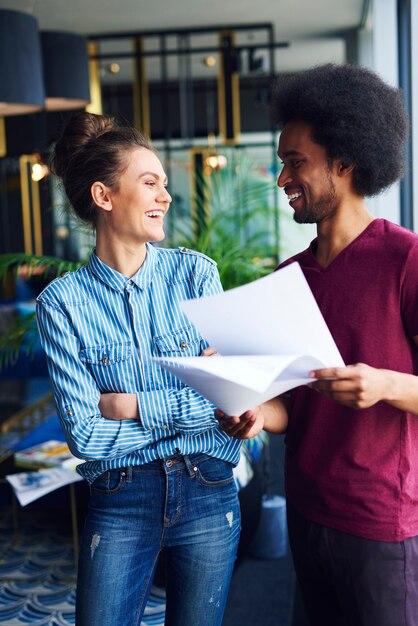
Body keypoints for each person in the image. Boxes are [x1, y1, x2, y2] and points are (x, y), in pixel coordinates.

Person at [218, 63, 418, 626]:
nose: (281, 179)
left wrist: (384, 385)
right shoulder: (289, 275)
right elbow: (291, 403)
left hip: (379, 523)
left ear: (345, 163)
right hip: (309, 514)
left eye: (293, 162)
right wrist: (256, 412)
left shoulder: (405, 260)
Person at [36, 111, 242, 626]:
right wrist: (192, 402)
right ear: (104, 197)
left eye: (164, 185)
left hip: (208, 489)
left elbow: (231, 398)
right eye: (150, 184)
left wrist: (129, 406)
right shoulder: (60, 304)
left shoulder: (196, 273)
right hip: (120, 498)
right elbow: (85, 434)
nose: (165, 197)